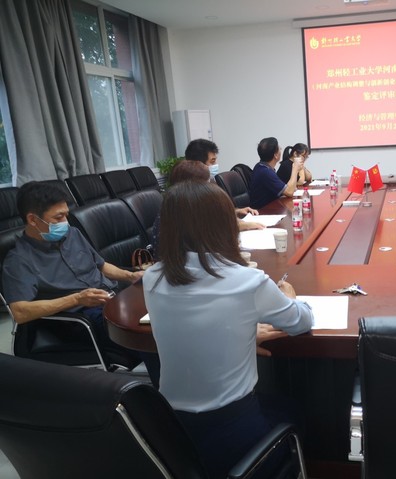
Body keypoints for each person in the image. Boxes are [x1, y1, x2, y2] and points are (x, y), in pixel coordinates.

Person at [143, 181, 313, 478]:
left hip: (172, 435)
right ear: (223, 226)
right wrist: (289, 294)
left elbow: (189, 324)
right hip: (234, 434)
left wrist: (240, 333)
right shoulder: (246, 282)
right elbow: (301, 322)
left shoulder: (153, 278)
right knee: (297, 410)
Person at [1, 181, 147, 369]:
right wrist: (77, 299)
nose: (66, 222)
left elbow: (102, 266)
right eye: (58, 217)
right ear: (33, 220)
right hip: (82, 318)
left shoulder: (73, 234)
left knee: (160, 309)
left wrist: (131, 276)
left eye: (66, 215)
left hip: (114, 297)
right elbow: (20, 312)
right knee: (147, 333)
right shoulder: (19, 260)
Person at [150, 160, 264, 257]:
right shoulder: (180, 213)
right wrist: (238, 226)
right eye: (205, 182)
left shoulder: (182, 204)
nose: (209, 186)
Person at [184, 139, 260, 220]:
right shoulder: (190, 193)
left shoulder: (211, 183)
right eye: (212, 161)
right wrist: (242, 225)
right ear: (199, 164)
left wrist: (236, 212)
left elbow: (216, 212)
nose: (216, 164)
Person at [249, 137, 302, 209]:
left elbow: (284, 190)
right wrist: (295, 168)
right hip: (263, 211)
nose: (281, 149)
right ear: (275, 155)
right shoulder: (265, 172)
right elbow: (289, 192)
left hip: (271, 207)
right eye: (279, 148)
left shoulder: (261, 167)